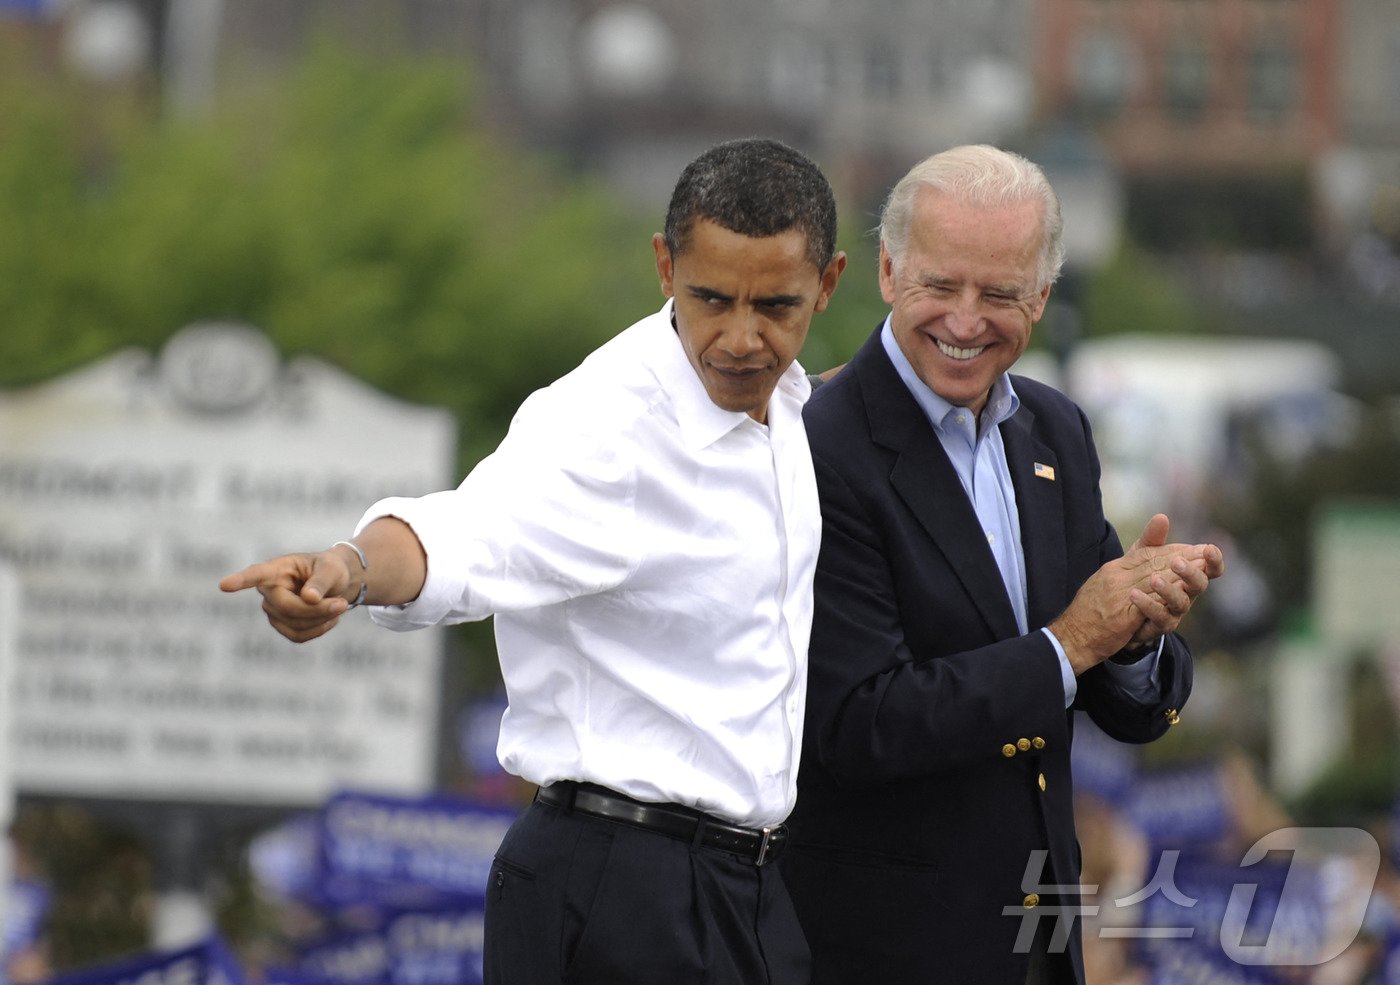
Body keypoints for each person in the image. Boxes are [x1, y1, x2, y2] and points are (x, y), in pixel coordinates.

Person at [220, 137, 847, 985]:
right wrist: (349, 567)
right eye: (710, 299)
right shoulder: (604, 429)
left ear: (828, 285)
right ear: (664, 267)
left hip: (746, 886)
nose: (741, 337)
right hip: (619, 887)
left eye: (776, 306)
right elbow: (465, 532)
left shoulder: (791, 406)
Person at [778, 144, 1225, 985]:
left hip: (1039, 948)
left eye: (1001, 294)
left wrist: (1134, 633)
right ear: (885, 270)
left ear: (1043, 297)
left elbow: (1109, 689)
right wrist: (1071, 642)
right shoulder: (817, 448)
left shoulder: (1056, 432)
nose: (966, 318)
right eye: (940, 286)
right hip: (882, 951)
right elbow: (861, 722)